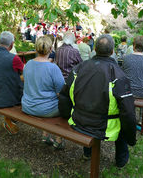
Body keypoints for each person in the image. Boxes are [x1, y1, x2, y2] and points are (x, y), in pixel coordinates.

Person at [58, 34, 136, 168]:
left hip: (79, 120)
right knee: (123, 126)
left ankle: (87, 153)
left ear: (94, 49)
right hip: (103, 126)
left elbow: (64, 94)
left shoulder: (79, 68)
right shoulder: (118, 75)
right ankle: (121, 161)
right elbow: (128, 112)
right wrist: (131, 138)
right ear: (112, 51)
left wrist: (66, 115)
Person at [22, 36, 65, 149]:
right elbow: (61, 92)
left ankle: (46, 134)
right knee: (66, 106)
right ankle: (58, 139)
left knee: (49, 101)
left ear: (36, 49)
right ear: (51, 49)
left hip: (28, 105)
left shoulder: (28, 65)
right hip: (46, 109)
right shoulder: (53, 68)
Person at [0, 31, 24, 134]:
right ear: (12, 44)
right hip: (7, 99)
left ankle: (10, 120)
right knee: (22, 86)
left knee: (5, 82)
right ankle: (11, 119)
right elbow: (23, 73)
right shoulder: (14, 58)